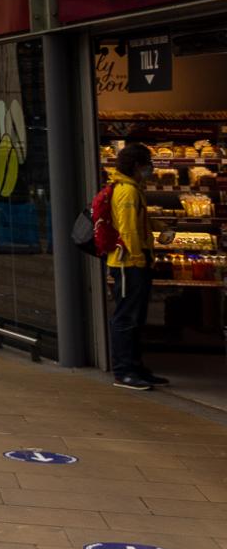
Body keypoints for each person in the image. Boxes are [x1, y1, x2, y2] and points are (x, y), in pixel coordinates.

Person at [106, 141, 163, 391]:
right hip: (128, 263)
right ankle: (124, 371)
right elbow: (128, 230)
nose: (150, 169)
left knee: (136, 317)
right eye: (148, 164)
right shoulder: (127, 192)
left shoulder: (132, 188)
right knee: (126, 317)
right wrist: (139, 260)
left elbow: (141, 223)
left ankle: (136, 367)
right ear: (138, 166)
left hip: (135, 262)